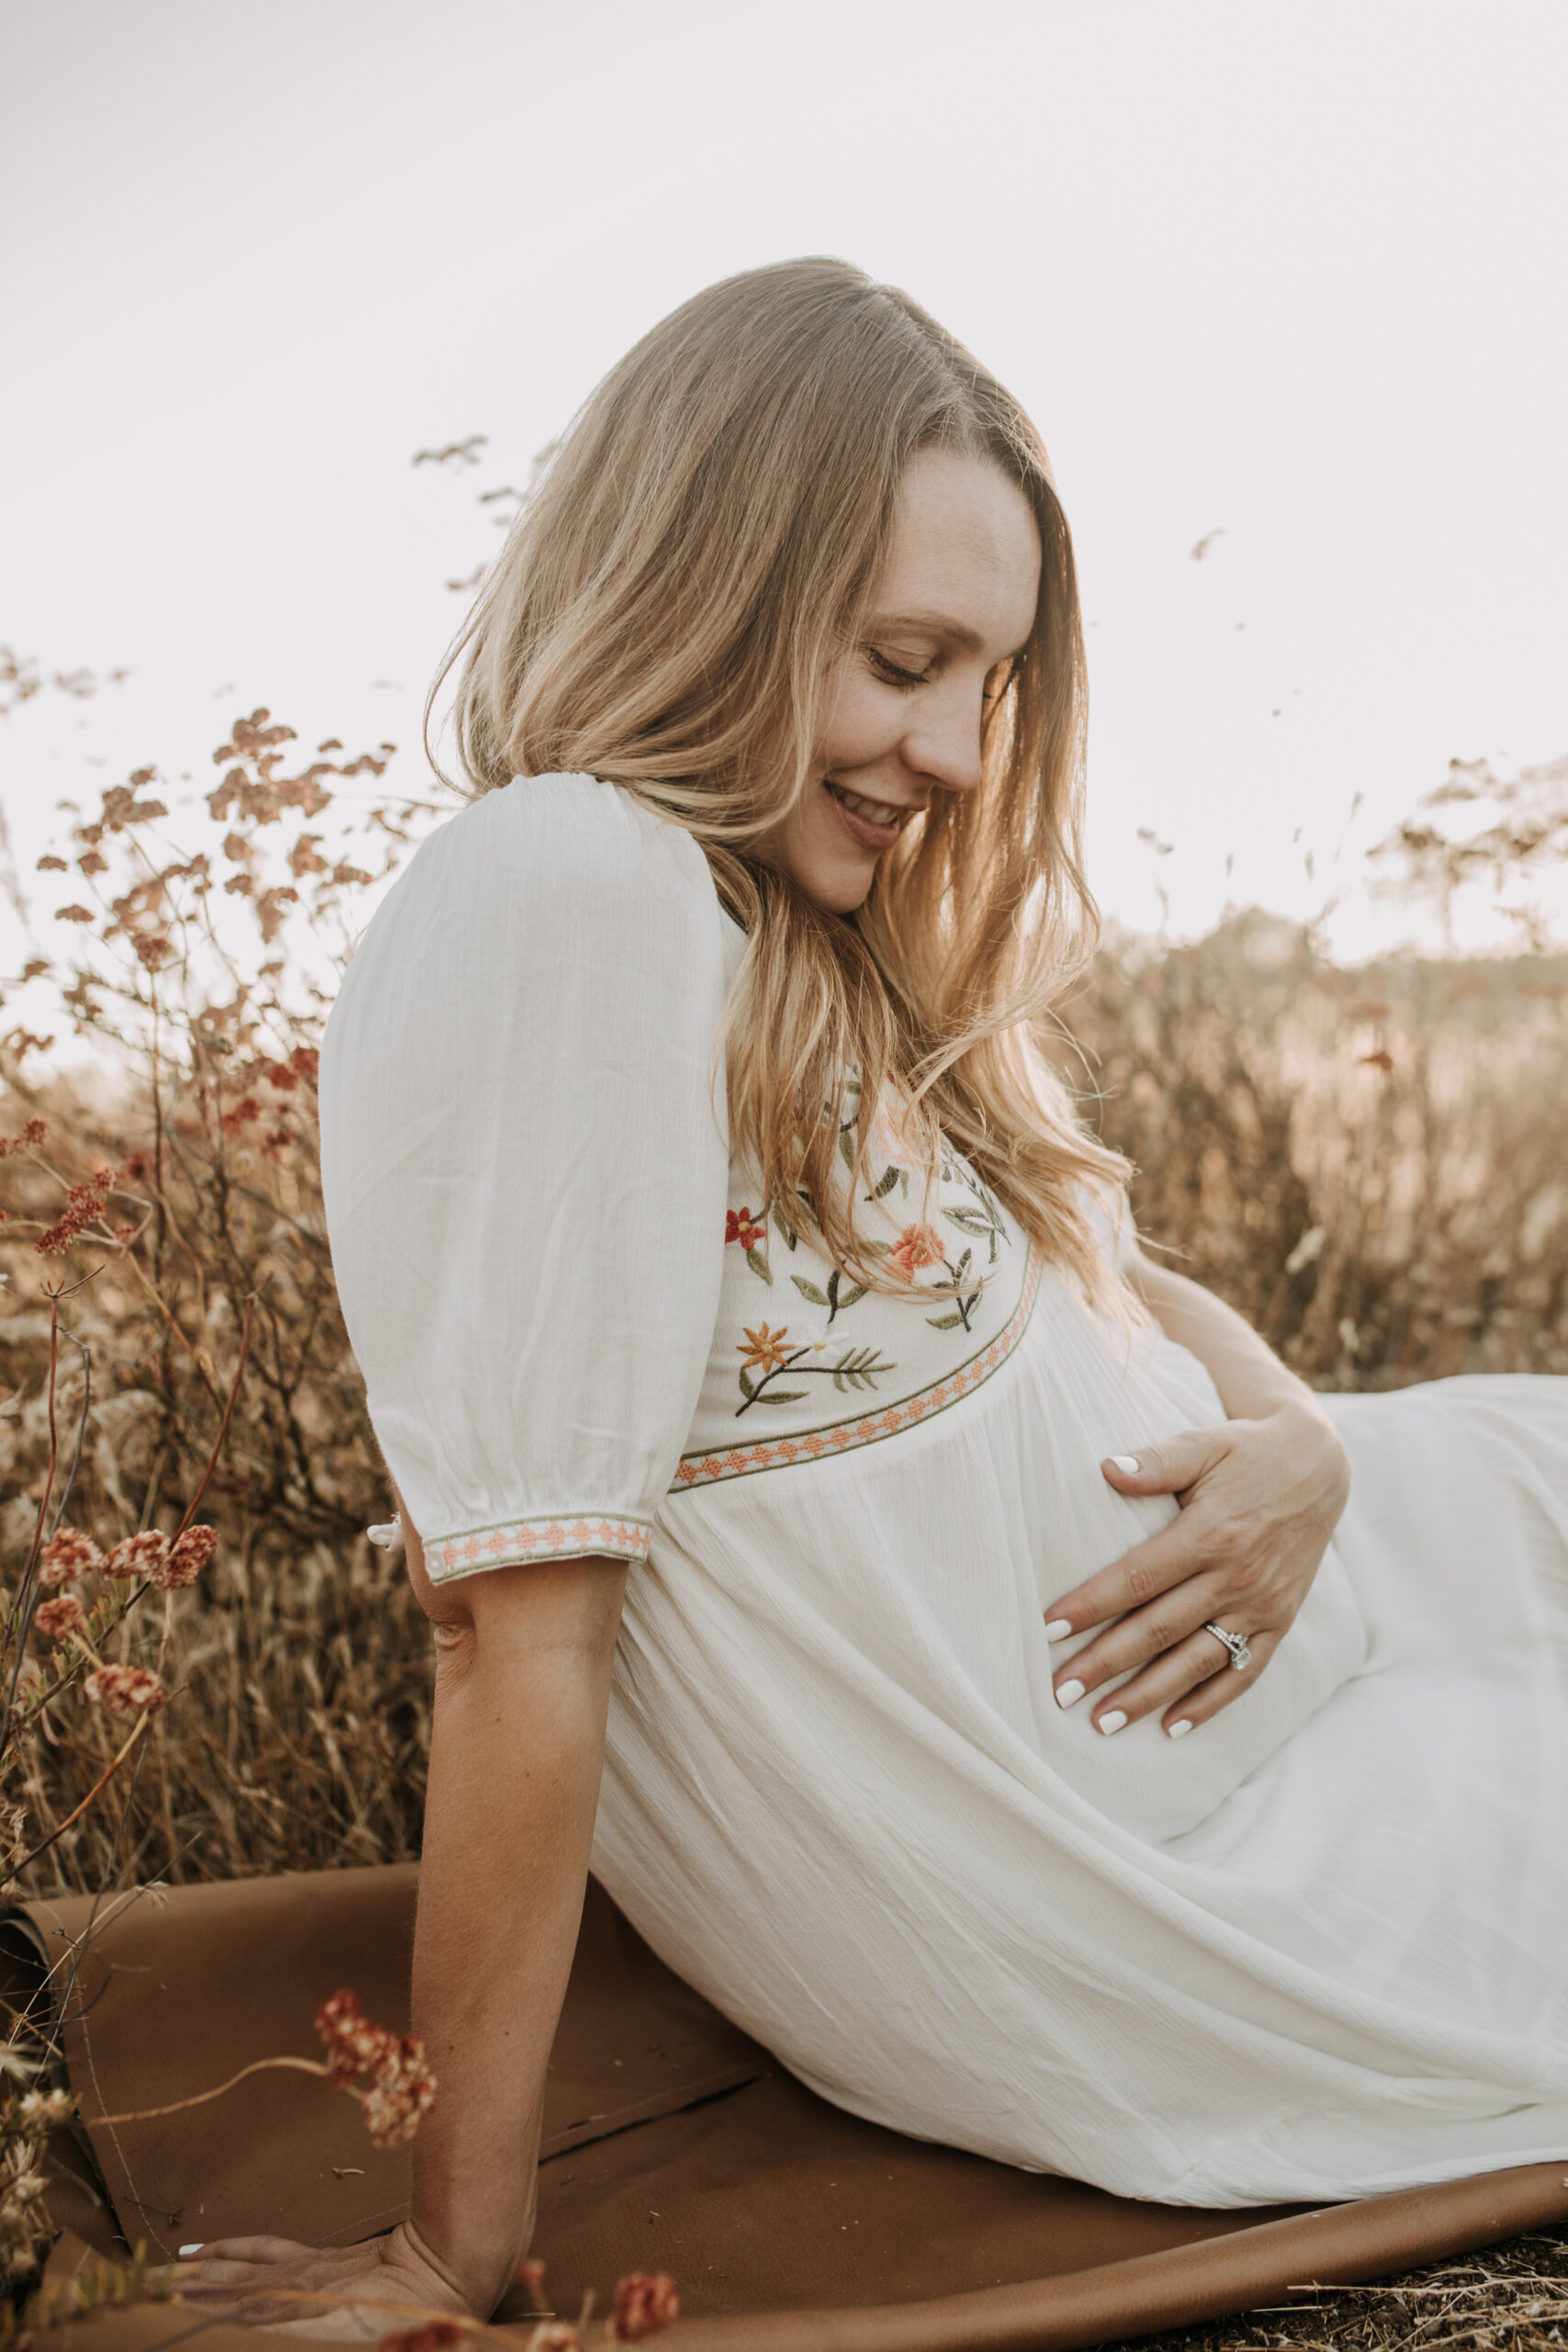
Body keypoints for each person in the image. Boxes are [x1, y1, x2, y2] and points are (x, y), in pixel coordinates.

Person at [186, 258, 1568, 2332]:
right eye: (900, 658)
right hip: (1199, 1846)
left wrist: (1288, 1443)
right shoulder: (563, 883)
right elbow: (511, 1624)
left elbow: (1110, 1270)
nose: (944, 744)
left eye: (981, 679)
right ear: (697, 585)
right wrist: (444, 2245)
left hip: (1332, 1592)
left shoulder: (766, 927)